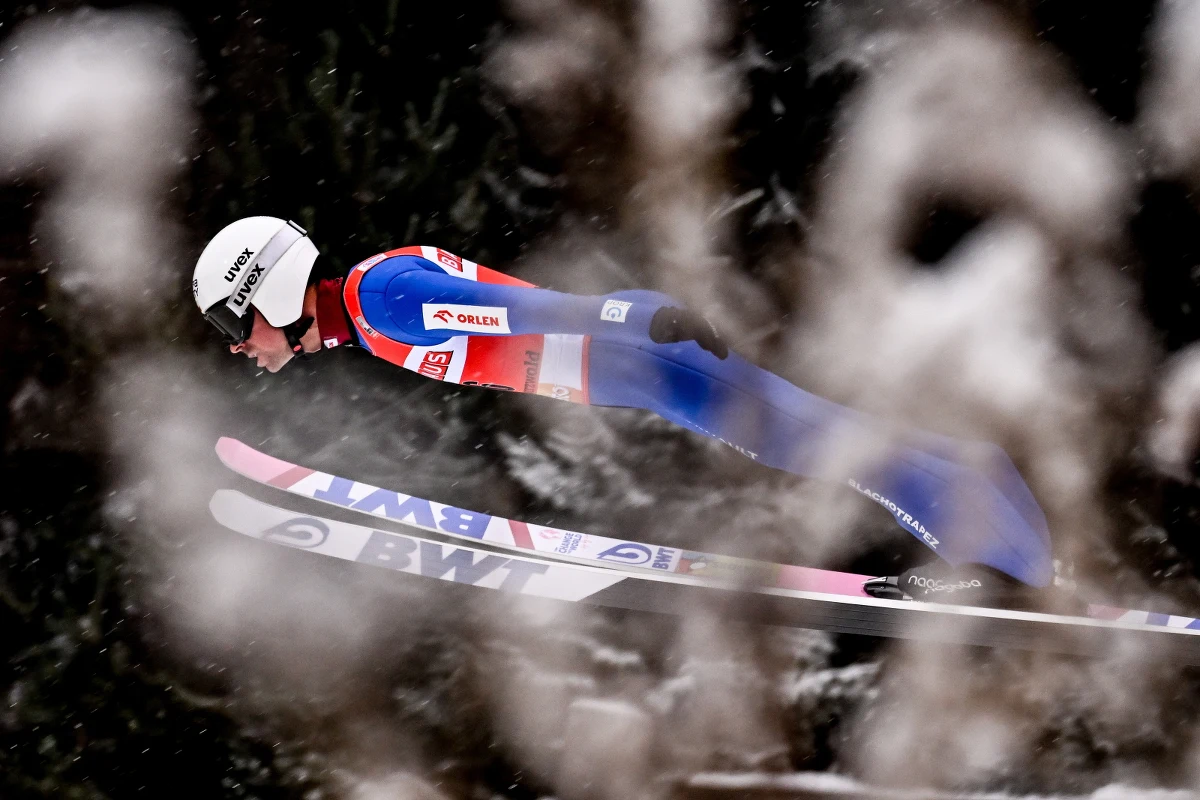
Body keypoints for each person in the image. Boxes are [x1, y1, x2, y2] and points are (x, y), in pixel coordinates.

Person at [193, 216, 1057, 605]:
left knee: (818, 446)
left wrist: (632, 317)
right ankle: (993, 516)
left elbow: (521, 314)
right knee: (816, 437)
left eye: (237, 325)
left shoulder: (381, 301)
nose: (241, 345)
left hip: (642, 357)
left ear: (266, 290)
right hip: (639, 366)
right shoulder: (371, 308)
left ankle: (994, 558)